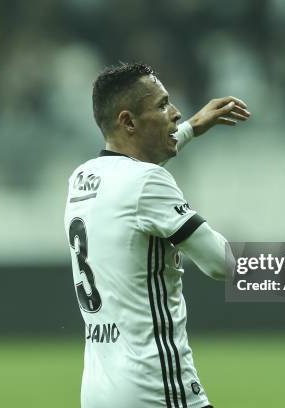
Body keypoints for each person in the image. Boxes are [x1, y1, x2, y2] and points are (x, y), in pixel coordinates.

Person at [64, 62, 250, 408]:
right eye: (162, 105)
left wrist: (192, 128)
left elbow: (131, 175)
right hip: (156, 388)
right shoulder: (147, 183)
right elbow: (222, 264)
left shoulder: (82, 179)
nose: (176, 114)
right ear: (128, 121)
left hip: (99, 390)